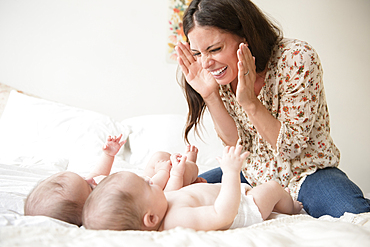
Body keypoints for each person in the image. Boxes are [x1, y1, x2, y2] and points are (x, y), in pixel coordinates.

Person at [175, 0, 370, 218]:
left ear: (245, 35)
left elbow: (291, 149)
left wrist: (250, 102)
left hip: (307, 174)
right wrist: (210, 95)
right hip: (252, 172)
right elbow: (235, 144)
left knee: (357, 216)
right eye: (198, 53)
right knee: (179, 198)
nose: (205, 63)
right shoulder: (218, 76)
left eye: (215, 49)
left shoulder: (296, 58)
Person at [82, 145, 303, 231]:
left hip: (230, 197)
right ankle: (292, 208)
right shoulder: (177, 219)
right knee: (273, 188)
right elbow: (222, 215)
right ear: (149, 219)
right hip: (241, 209)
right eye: (148, 185)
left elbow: (176, 187)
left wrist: (185, 163)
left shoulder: (159, 206)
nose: (152, 181)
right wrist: (230, 173)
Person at [24, 134, 125, 226]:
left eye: (84, 178)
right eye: (90, 187)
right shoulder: (109, 203)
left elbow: (97, 174)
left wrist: (108, 155)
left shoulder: (86, 188)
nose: (91, 179)